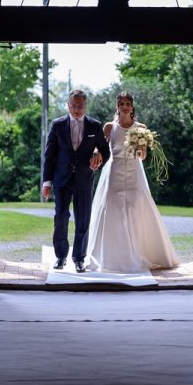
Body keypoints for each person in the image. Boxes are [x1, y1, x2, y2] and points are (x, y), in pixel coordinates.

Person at [86, 91, 180, 273]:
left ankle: (137, 250)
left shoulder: (141, 127)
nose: (124, 107)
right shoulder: (109, 127)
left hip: (134, 171)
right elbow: (101, 147)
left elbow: (143, 155)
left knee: (136, 207)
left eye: (127, 103)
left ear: (132, 107)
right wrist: (97, 153)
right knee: (112, 206)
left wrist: (140, 150)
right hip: (114, 169)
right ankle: (112, 254)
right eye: (121, 103)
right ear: (117, 107)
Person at [41, 89, 110, 273]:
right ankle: (60, 257)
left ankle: (79, 258)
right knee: (61, 217)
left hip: (84, 179)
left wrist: (98, 156)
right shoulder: (57, 125)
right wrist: (46, 182)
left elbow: (106, 150)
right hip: (61, 179)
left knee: (83, 219)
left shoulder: (95, 126)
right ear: (68, 105)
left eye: (80, 106)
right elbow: (49, 155)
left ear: (85, 105)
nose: (77, 109)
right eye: (73, 105)